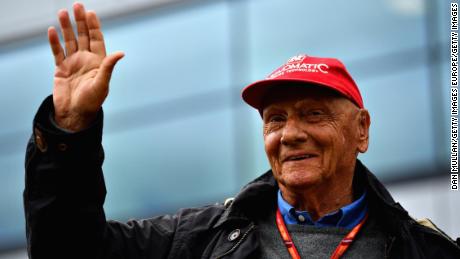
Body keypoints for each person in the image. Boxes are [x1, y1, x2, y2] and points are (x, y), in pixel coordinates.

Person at [23, 2, 460, 259]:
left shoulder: (426, 250)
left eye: (312, 114)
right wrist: (71, 129)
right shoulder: (198, 239)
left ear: (361, 131)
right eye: (275, 119)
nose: (289, 134)